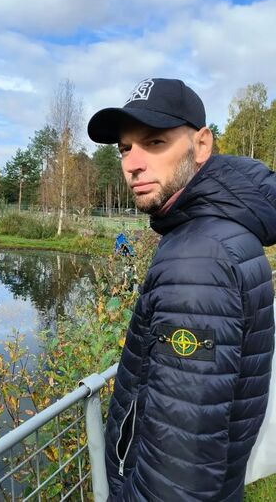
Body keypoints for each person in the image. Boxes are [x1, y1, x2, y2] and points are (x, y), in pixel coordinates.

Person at [87, 78, 276, 501]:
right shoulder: (222, 232)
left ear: (202, 144)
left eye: (154, 142)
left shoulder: (198, 258)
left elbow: (178, 475)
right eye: (124, 149)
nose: (133, 164)